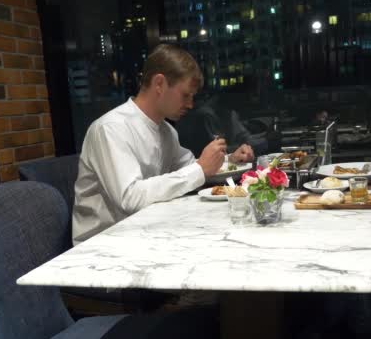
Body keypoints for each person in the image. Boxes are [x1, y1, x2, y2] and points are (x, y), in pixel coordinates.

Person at [72, 44, 254, 244]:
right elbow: (130, 198)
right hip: (102, 244)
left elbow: (191, 167)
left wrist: (230, 160)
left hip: (144, 232)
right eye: (186, 95)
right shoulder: (111, 128)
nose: (191, 104)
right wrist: (200, 168)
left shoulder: (166, 131)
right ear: (159, 83)